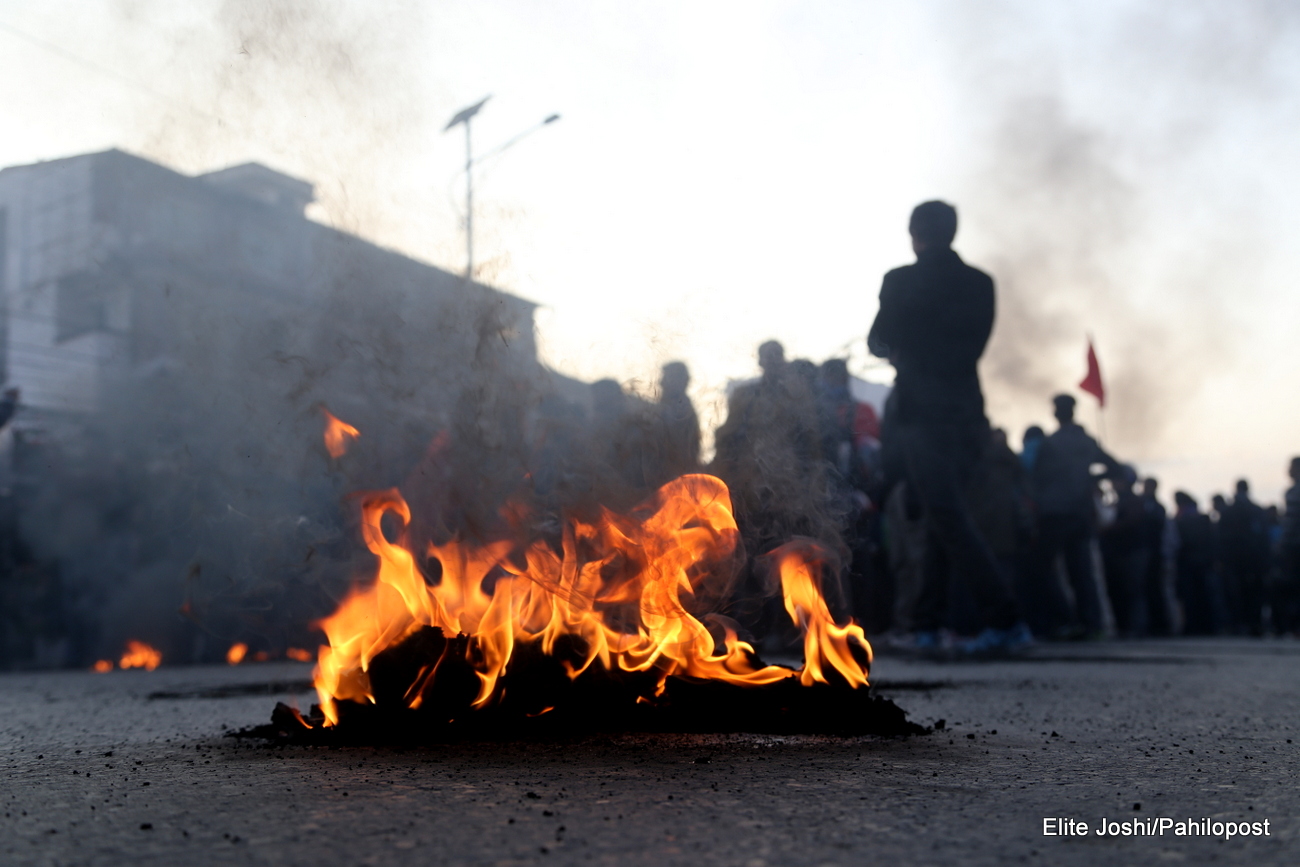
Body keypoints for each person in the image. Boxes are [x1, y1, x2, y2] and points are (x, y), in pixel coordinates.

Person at [867, 200, 1030, 655]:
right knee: (944, 515)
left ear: (914, 234)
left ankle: (1007, 619)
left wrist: (904, 346)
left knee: (948, 517)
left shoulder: (899, 281)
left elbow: (877, 341)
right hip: (967, 415)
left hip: (921, 414)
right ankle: (925, 625)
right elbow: (973, 346)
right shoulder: (980, 283)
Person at [1029, 393, 1121, 639]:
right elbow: (1116, 468)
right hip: (1079, 513)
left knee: (1045, 569)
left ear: (1057, 412)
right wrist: (1089, 479)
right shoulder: (1087, 442)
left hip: (1054, 514)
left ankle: (1063, 621)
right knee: (1081, 571)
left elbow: (1036, 480)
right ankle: (1091, 623)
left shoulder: (1050, 443)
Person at [1218, 479, 1268, 635]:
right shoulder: (1256, 510)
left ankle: (1238, 624)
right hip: (1253, 559)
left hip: (1234, 559)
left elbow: (1220, 537)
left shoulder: (1228, 511)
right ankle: (1253, 624)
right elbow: (1263, 538)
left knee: (1235, 593)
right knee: (1253, 593)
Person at [1173, 491, 1218, 635]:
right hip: (1202, 562)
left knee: (1190, 596)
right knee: (1203, 595)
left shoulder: (1181, 519)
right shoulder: (1202, 518)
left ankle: (1194, 626)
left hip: (1189, 561)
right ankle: (1208, 626)